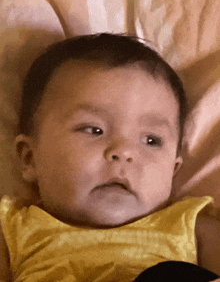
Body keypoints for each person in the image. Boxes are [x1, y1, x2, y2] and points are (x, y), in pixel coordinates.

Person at [0, 33, 220, 282]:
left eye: (151, 140)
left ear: (173, 170)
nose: (124, 152)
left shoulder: (193, 227)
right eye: (94, 130)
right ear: (29, 158)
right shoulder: (14, 231)